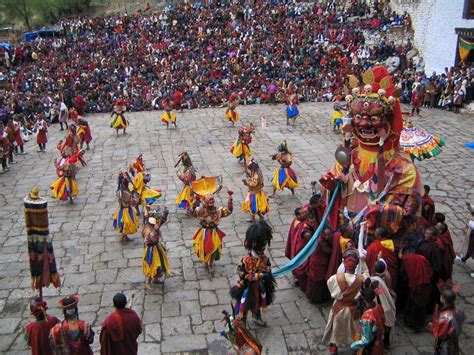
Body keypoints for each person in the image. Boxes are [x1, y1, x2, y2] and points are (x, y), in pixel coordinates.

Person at [230, 220, 276, 326]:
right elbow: (242, 274)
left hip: (260, 286)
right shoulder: (246, 260)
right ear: (255, 244)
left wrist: (268, 270)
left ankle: (256, 316)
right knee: (245, 306)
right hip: (248, 288)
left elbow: (267, 266)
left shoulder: (264, 258)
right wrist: (258, 275)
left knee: (258, 302)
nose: (263, 249)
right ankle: (242, 323)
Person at [323, 249, 368, 354]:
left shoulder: (334, 278)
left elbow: (331, 288)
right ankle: (356, 348)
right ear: (357, 265)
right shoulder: (362, 280)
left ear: (343, 262)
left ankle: (334, 347)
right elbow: (366, 273)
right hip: (353, 309)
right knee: (355, 330)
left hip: (338, 308)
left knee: (336, 328)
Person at [192, 190, 233, 272]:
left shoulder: (218, 210)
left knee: (213, 249)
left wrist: (230, 200)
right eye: (209, 202)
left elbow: (228, 211)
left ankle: (210, 264)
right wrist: (194, 202)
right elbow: (192, 213)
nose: (211, 204)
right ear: (205, 202)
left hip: (214, 232)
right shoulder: (200, 210)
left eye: (212, 202)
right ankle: (206, 262)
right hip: (204, 232)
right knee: (204, 249)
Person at [399, 248, 433, 331]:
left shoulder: (407, 258)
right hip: (426, 283)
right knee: (422, 304)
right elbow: (430, 269)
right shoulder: (422, 258)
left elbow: (400, 258)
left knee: (414, 304)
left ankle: (414, 324)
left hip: (416, 286)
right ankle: (419, 322)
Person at [350, 278, 385, 355]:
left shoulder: (367, 317)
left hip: (370, 346)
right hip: (378, 340)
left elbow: (367, 339)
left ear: (364, 300)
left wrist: (353, 346)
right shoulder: (378, 306)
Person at [142, 207, 170, 290]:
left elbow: (161, 221)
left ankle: (155, 278)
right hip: (150, 250)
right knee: (151, 265)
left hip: (157, 248)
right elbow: (149, 240)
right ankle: (148, 282)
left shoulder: (154, 225)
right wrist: (155, 231)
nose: (158, 221)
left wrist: (165, 214)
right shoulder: (147, 229)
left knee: (160, 264)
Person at [430, 289, 465, 355]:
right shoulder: (460, 311)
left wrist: (432, 326)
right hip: (454, 339)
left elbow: (439, 334)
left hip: (444, 342)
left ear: (443, 300)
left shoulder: (445, 317)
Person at [371, 259, 396, 349]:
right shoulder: (386, 277)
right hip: (384, 304)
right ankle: (386, 341)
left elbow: (380, 292)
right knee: (386, 323)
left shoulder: (374, 280)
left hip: (378, 304)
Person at [113, 172, 139, 244]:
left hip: (124, 209)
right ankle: (122, 239)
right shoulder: (125, 193)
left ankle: (125, 238)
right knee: (126, 225)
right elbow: (131, 201)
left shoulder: (122, 191)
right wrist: (135, 198)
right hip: (126, 210)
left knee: (126, 225)